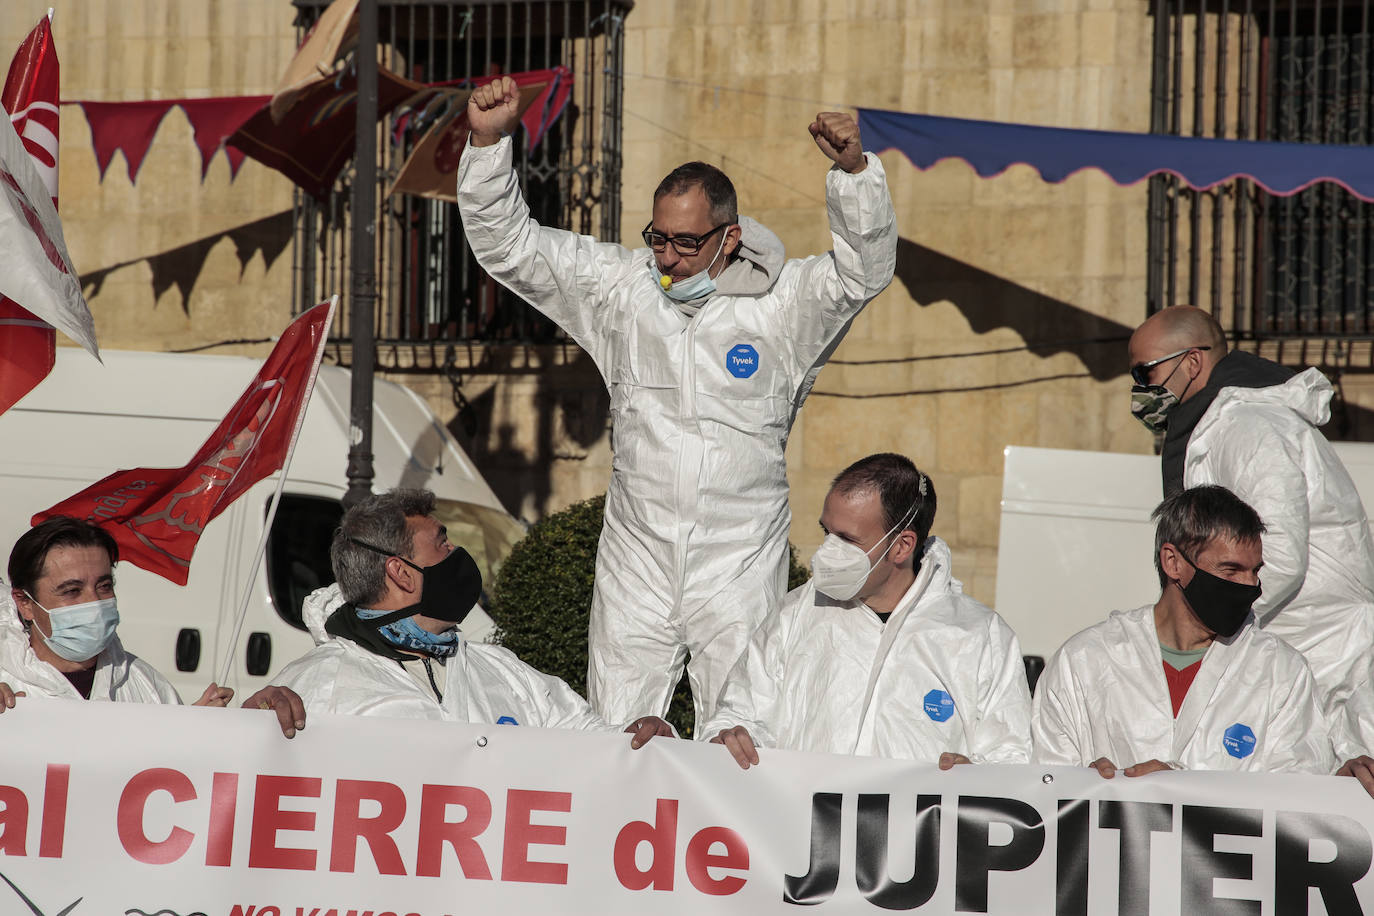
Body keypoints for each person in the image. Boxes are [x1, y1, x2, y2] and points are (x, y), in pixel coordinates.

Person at [457, 77, 898, 726]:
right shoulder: (622, 290)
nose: (668, 259)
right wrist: (490, 142)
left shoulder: (786, 304)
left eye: (687, 243)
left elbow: (864, 273)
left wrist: (855, 175)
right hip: (639, 551)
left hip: (739, 556)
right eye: (659, 238)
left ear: (730, 236)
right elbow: (512, 248)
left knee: (740, 733)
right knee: (616, 730)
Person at [1128, 305, 1374, 758]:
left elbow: (1278, 554)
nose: (1140, 389)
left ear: (1192, 362)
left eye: (1146, 372)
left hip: (1319, 654)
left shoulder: (1249, 427)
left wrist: (1202, 625)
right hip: (1290, 647)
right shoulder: (1223, 425)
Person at [703, 454, 1032, 769]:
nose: (829, 550)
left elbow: (1012, 760)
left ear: (901, 546)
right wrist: (730, 740)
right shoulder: (795, 614)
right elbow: (738, 718)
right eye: (826, 532)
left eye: (847, 539)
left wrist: (978, 777)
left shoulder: (978, 635)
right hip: (800, 824)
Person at [272, 488, 672, 748]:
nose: (456, 553)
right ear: (401, 572)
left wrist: (635, 738)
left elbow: (586, 740)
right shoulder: (317, 684)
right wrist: (256, 726)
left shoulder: (503, 672)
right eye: (442, 543)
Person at [1032, 485, 1335, 775]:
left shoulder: (1280, 673)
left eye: (1254, 571)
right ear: (1173, 562)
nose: (1249, 586)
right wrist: (1086, 785)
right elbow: (1045, 783)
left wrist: (1181, 788)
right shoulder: (1084, 662)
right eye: (1230, 570)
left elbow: (1297, 792)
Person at [0, 516, 305, 737]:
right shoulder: (5, 686)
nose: (93, 603)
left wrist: (215, 731)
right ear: (25, 603)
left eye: (104, 586)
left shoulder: (143, 684)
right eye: (71, 591)